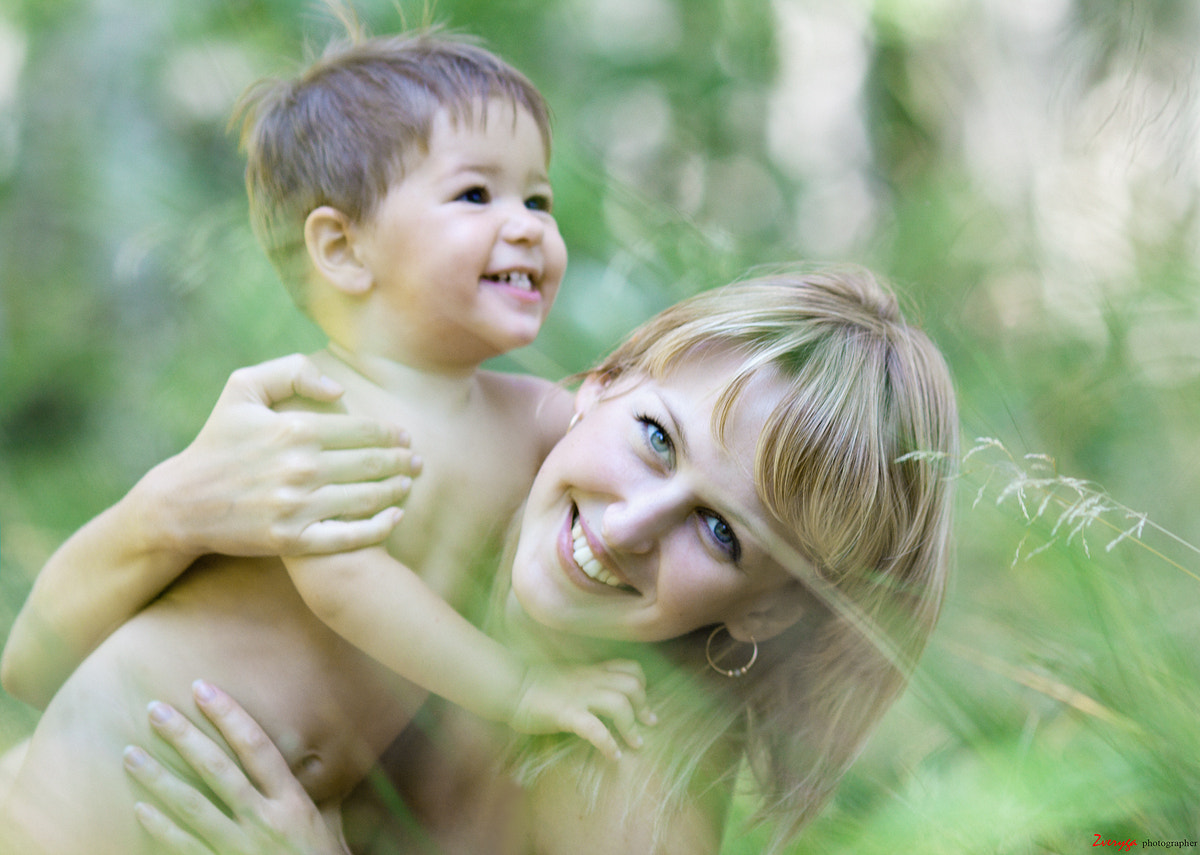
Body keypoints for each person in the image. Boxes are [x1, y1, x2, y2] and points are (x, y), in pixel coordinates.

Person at [10, 268, 960, 853]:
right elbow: (30, 668)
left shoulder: (620, 775)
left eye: (721, 534)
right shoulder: (421, 475)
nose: (632, 525)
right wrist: (170, 506)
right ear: (601, 383)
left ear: (763, 610)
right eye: (657, 441)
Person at [0, 24, 654, 855]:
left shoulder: (524, 413)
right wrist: (522, 686)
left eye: (539, 199)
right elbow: (346, 580)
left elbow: (634, 426)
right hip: (109, 770)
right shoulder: (319, 407)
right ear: (342, 249)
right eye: (476, 196)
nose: (527, 225)